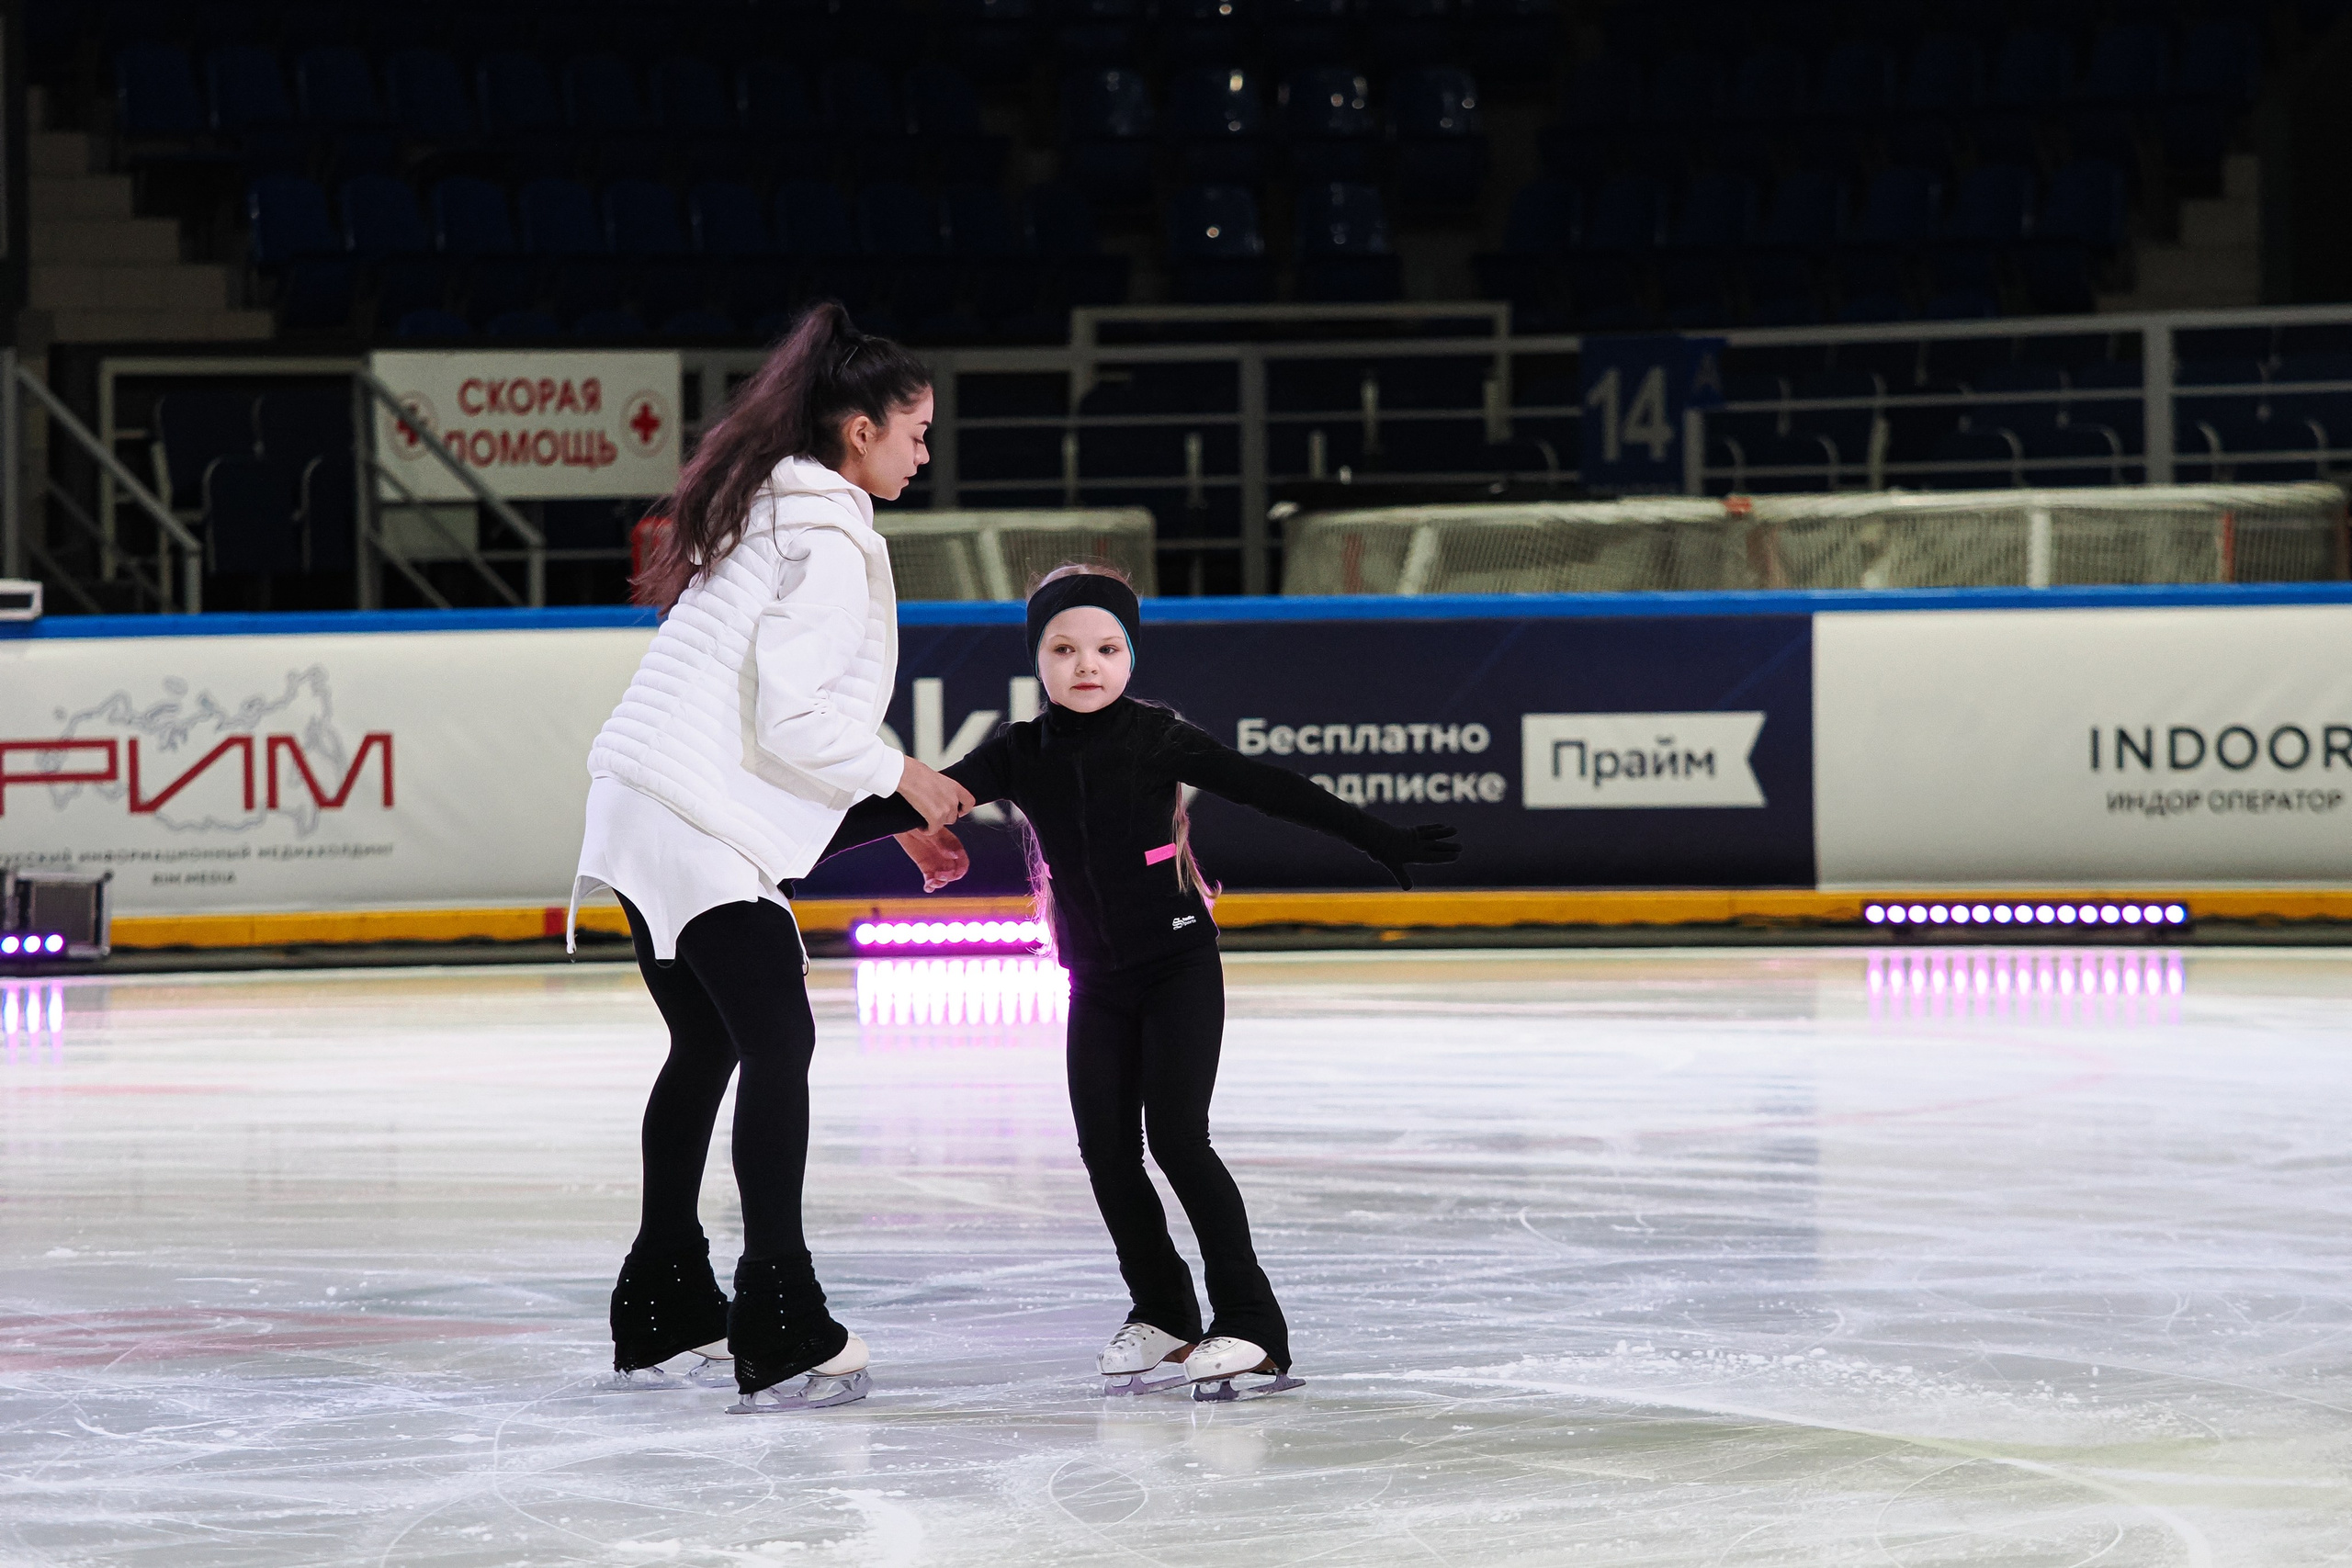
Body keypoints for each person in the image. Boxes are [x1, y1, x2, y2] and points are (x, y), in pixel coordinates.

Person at [823, 564, 1461, 1400]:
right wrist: (782, 857)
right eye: (1064, 647)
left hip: (1177, 967)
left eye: (1105, 647)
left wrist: (1380, 838)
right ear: (1038, 661)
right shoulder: (1020, 751)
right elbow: (908, 807)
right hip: (1094, 980)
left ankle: (1255, 1326)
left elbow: (1271, 789)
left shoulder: (1157, 736)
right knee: (1106, 1152)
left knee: (1179, 1140)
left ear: (1130, 656)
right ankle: (1163, 1312)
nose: (1086, 663)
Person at [568, 302, 975, 1413]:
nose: (924, 452)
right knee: (775, 1043)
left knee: (705, 1044)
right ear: (858, 431)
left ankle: (663, 1308)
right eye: (916, 431)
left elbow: (752, 748)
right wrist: (908, 778)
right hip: (683, 815)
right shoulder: (830, 532)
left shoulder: (765, 511)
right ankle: (780, 1317)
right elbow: (795, 723)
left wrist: (897, 817)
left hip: (638, 800)